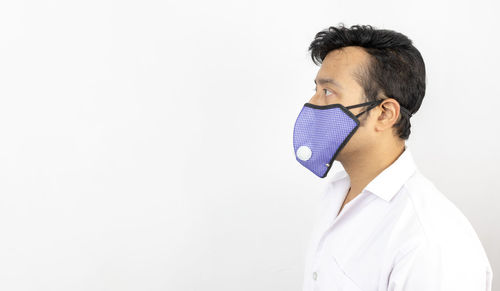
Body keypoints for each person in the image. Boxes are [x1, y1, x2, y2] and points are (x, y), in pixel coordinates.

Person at [293, 24, 493, 291]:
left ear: (385, 113)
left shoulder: (430, 238)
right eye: (317, 89)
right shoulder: (336, 193)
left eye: (328, 92)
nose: (313, 103)